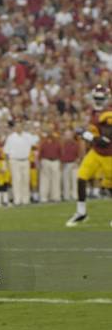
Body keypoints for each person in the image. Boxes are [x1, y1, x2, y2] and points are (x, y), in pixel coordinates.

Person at [66, 84, 111, 226]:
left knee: (110, 186)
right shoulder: (93, 112)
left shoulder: (108, 114)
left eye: (100, 98)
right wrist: (87, 134)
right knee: (81, 177)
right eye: (96, 98)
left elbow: (106, 140)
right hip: (96, 152)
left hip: (109, 155)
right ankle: (81, 212)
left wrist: (85, 134)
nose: (98, 101)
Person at [3, 121, 39, 205]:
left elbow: (36, 140)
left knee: (26, 180)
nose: (19, 128)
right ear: (14, 128)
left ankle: (25, 199)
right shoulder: (11, 137)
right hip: (15, 160)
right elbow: (6, 151)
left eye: (20, 126)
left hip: (25, 160)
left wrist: (33, 131)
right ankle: (17, 199)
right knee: (17, 180)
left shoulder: (27, 136)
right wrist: (7, 163)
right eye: (17, 126)